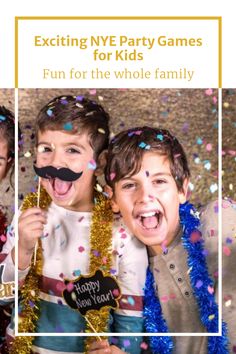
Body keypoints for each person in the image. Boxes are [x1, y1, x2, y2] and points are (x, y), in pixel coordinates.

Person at [0, 96, 148, 354]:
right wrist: (22, 252)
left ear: (99, 162)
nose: (56, 163)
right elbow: (3, 295)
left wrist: (122, 351)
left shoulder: (122, 232)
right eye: (46, 149)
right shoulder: (28, 212)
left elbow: (130, 320)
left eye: (72, 150)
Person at [90, 126, 229, 354]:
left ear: (182, 189)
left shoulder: (216, 223)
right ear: (112, 199)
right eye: (129, 185)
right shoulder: (128, 273)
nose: (145, 196)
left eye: (159, 181)